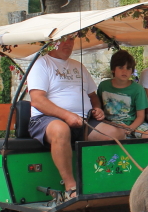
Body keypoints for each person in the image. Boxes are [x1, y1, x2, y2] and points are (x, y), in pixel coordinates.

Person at [28, 36, 126, 200]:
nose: (68, 43)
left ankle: (101, 179)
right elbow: (37, 100)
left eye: (71, 40)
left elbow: (92, 95)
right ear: (53, 42)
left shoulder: (78, 66)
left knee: (116, 133)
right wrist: (66, 115)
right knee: (61, 130)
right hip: (46, 120)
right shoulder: (42, 64)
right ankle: (71, 187)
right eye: (63, 40)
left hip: (83, 120)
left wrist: (97, 109)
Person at [98, 50, 148, 138]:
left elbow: (141, 116)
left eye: (128, 68)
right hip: (111, 125)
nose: (125, 71)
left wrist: (130, 128)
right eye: (121, 67)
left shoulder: (138, 89)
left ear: (132, 71)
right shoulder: (103, 86)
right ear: (113, 69)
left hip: (134, 124)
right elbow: (99, 110)